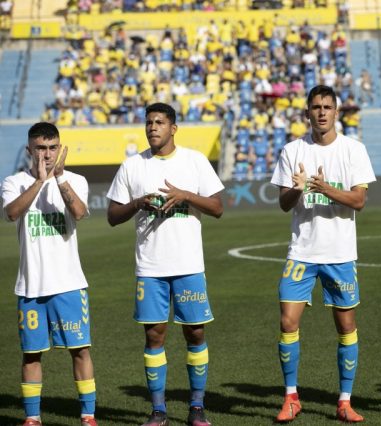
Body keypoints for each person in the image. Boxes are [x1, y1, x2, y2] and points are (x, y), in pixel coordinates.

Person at [106, 103, 224, 426]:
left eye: (159, 122)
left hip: (188, 265)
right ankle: (158, 411)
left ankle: (196, 407)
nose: (152, 127)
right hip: (151, 268)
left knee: (195, 333)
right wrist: (138, 203)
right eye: (149, 122)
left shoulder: (194, 161)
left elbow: (217, 207)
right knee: (154, 337)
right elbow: (112, 216)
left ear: (173, 128)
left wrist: (186, 196)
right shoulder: (133, 166)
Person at [270, 85, 376, 423]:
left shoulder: (353, 149)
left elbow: (359, 200)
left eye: (327, 107)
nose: (321, 112)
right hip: (302, 251)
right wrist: (298, 188)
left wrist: (324, 188)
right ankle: (291, 398)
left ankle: (344, 401)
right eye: (316, 107)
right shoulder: (292, 150)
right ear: (307, 113)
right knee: (287, 322)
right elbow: (284, 203)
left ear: (336, 112)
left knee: (346, 326)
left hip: (340, 253)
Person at [1, 122, 98, 426]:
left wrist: (58, 179)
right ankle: (32, 418)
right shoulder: (14, 181)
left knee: (80, 350)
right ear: (29, 150)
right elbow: (11, 213)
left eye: (52, 148)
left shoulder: (75, 180)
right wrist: (40, 182)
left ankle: (88, 415)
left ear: (59, 148)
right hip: (30, 287)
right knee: (31, 354)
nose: (46, 154)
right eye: (40, 148)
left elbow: (79, 213)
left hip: (69, 284)